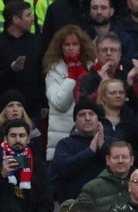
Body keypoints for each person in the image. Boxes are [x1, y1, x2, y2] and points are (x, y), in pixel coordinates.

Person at [44, 25, 95, 160]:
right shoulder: (52, 73)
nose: (71, 48)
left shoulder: (92, 69)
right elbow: (60, 103)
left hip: (89, 138)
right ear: (60, 48)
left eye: (75, 44)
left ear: (81, 46)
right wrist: (72, 77)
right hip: (61, 141)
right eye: (67, 45)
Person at [51, 98, 114, 202]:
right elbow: (63, 168)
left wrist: (102, 146)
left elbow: (121, 165)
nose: (87, 118)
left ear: (99, 119)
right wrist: (90, 151)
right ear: (75, 121)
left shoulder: (112, 142)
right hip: (74, 206)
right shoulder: (65, 144)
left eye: (91, 114)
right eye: (82, 115)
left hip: (107, 205)